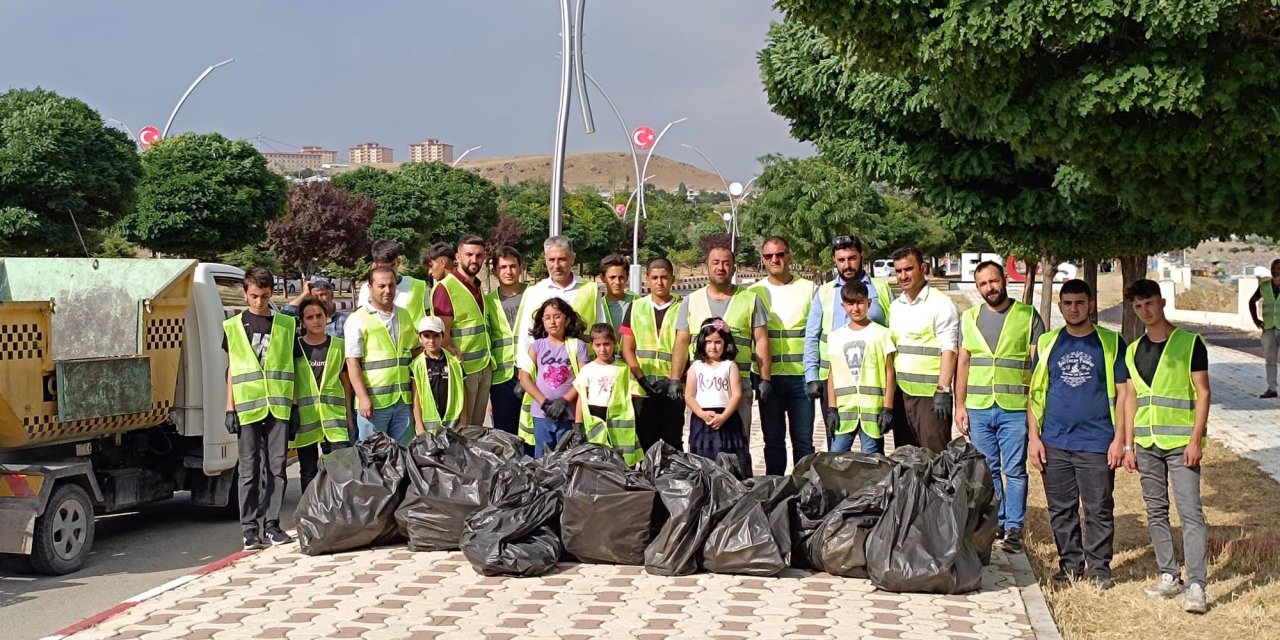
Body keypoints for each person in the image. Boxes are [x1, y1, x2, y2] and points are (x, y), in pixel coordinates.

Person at [1028, 279, 1131, 590]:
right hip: (1055, 441)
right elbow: (1035, 392)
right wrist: (1034, 439)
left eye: (1079, 303)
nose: (1073, 308)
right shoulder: (1048, 342)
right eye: (1068, 303)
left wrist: (1121, 442)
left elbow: (1126, 394)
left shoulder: (1111, 343)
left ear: (1091, 305)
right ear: (1060, 307)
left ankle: (1099, 569)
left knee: (1098, 507)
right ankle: (1070, 566)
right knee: (1061, 509)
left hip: (1097, 441)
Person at [1122, 278, 1211, 614]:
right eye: (1138, 306)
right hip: (1146, 442)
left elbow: (1203, 393)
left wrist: (1196, 440)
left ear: (1161, 302)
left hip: (1180, 443)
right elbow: (1131, 398)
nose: (1145, 311)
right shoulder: (1132, 350)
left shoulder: (1190, 343)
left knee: (1190, 513)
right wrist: (1129, 445)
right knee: (1155, 511)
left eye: (1149, 304)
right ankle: (1169, 575)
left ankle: (1197, 583)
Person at [955, 261, 1044, 555]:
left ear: (1004, 279)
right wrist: (960, 405)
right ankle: (999, 521)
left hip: (1015, 407)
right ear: (977, 286)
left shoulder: (1027, 316)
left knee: (1015, 469)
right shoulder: (968, 317)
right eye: (982, 284)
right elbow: (963, 363)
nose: (989, 288)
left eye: (993, 281)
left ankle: (1015, 527)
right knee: (989, 470)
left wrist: (1036, 411)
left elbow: (1038, 367)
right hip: (979, 407)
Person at [671, 239, 770, 475]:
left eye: (726, 263)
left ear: (734, 268)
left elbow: (762, 340)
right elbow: (682, 341)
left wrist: (765, 378)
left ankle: (737, 495)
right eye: (715, 262)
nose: (721, 267)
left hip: (739, 386)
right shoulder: (691, 301)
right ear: (707, 267)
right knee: (702, 448)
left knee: (737, 444)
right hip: (702, 390)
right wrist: (675, 378)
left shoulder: (750, 299)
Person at [222, 267, 296, 550]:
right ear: (245, 293)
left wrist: (295, 404)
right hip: (248, 407)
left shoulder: (286, 326)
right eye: (253, 296)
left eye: (264, 296)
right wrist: (230, 407)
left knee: (277, 468)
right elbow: (232, 369)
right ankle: (250, 530)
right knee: (249, 470)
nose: (258, 301)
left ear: (271, 292)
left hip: (278, 406)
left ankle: (273, 525)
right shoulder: (232, 326)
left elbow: (292, 368)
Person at [804, 235, 893, 440]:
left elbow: (893, 329)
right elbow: (812, 336)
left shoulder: (881, 288)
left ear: (861, 256)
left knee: (872, 448)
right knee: (836, 446)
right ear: (834, 261)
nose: (847, 265)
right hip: (835, 383)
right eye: (841, 260)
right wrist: (812, 376)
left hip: (873, 381)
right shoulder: (824, 293)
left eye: (852, 258)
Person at [749, 236, 819, 475]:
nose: (775, 259)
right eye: (769, 256)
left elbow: (817, 335)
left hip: (801, 380)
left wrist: (814, 376)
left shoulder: (809, 290)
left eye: (780, 254)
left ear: (789, 256)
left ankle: (805, 490)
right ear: (763, 260)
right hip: (769, 380)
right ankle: (775, 489)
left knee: (803, 442)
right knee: (774, 442)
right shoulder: (754, 292)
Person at [888, 246, 960, 452]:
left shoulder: (941, 304)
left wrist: (943, 390)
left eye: (908, 269)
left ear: (923, 268)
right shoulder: (896, 307)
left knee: (934, 460)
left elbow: (950, 349)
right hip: (903, 396)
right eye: (899, 271)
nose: (903, 275)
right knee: (906, 461)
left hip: (930, 399)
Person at [345, 266, 417, 445]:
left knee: (402, 456)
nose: (387, 290)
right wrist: (363, 398)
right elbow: (352, 363)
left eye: (391, 285)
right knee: (374, 458)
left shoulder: (404, 315)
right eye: (381, 286)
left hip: (402, 400)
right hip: (374, 403)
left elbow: (414, 349)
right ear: (370, 287)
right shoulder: (357, 319)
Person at [514, 236, 605, 376]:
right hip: (545, 373)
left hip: (583, 371)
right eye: (551, 260)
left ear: (572, 259)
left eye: (562, 259)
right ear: (545, 260)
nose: (556, 265)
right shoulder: (535, 292)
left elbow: (602, 330)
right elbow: (527, 335)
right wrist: (523, 369)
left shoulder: (591, 290)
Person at [620, 257, 685, 450]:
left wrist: (674, 379)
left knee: (673, 442)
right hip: (642, 390)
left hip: (672, 388)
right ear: (647, 279)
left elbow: (687, 347)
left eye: (664, 277)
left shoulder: (682, 308)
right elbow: (627, 349)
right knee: (645, 443)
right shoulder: (635, 307)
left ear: (673, 279)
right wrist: (642, 380)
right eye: (654, 277)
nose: (659, 282)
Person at [290, 296, 353, 494]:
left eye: (319, 315)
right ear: (303, 321)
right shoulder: (296, 347)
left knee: (341, 469)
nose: (316, 320)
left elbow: (346, 383)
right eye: (310, 317)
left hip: (334, 418)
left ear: (327, 317)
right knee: (308, 471)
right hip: (306, 419)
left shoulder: (338, 346)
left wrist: (349, 417)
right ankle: (309, 513)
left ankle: (340, 513)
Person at [824, 281, 896, 454]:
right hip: (844, 412)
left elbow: (889, 373)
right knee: (836, 458)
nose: (855, 308)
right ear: (843, 306)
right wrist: (832, 408)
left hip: (872, 412)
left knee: (871, 462)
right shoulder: (836, 337)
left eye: (859, 303)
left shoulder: (882, 334)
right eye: (850, 304)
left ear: (868, 303)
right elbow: (832, 374)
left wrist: (888, 408)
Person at [432, 235, 492, 427]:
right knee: (462, 430)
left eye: (479, 255)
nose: (474, 260)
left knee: (477, 428)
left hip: (483, 366)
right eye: (469, 255)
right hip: (464, 370)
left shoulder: (477, 287)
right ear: (457, 257)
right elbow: (443, 335)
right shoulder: (446, 288)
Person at [518, 297, 590, 457]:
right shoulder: (536, 346)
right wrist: (544, 403)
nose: (552, 321)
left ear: (567, 319)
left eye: (557, 316)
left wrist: (564, 400)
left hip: (567, 414)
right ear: (542, 321)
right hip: (542, 415)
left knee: (566, 459)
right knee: (542, 458)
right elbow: (524, 377)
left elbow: (583, 378)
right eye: (547, 317)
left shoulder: (578, 346)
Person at [573, 323, 643, 465]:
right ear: (592, 345)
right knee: (597, 460)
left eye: (607, 344)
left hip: (618, 422)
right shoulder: (587, 369)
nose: (603, 349)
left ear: (615, 343)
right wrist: (578, 425)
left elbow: (635, 395)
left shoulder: (623, 369)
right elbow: (582, 398)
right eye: (598, 345)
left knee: (620, 461)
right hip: (594, 418)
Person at [685, 318, 749, 472]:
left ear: (726, 343)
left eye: (718, 342)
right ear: (702, 342)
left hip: (727, 419)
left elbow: (736, 395)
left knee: (729, 459)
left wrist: (724, 416)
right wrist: (701, 413)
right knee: (704, 461)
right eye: (708, 342)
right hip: (703, 420)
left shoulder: (730, 366)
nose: (713, 346)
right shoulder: (696, 367)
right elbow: (689, 396)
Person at [486, 246, 529, 437]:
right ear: (495, 271)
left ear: (521, 268)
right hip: (501, 377)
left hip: (530, 372)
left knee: (531, 431)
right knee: (505, 434)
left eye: (513, 266)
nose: (508, 271)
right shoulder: (488, 301)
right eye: (503, 267)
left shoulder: (533, 294)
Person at [410, 315, 465, 435]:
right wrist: (419, 427)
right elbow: (416, 397)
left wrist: (463, 420)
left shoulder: (454, 362)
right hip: (428, 429)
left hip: (453, 426)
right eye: (426, 336)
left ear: (443, 336)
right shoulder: (416, 365)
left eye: (436, 336)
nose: (431, 340)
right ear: (420, 338)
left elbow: (462, 391)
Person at [356, 240, 429, 325]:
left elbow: (429, 318)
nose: (389, 271)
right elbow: (361, 321)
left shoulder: (418, 286)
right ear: (375, 265)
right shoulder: (367, 288)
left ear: (398, 262)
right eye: (383, 267)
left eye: (392, 265)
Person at [1248, 258, 1280, 398]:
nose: (1275, 271)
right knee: (1270, 359)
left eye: (1278, 268)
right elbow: (1252, 301)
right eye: (1273, 268)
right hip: (1268, 328)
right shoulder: (1265, 285)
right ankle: (1271, 388)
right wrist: (1256, 320)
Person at [282, 278, 347, 337]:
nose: (319, 299)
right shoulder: (306, 318)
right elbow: (285, 314)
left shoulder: (343, 320)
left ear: (332, 296)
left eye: (322, 295)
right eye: (315, 296)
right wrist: (304, 294)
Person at [600, 253, 639, 331]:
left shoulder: (637, 302)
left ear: (627, 278)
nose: (617, 282)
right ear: (603, 278)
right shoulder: (598, 305)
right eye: (612, 277)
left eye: (621, 277)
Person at [421, 241, 456, 315]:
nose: (429, 272)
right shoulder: (464, 281)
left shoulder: (443, 287)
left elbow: (442, 325)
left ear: (443, 263)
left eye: (431, 266)